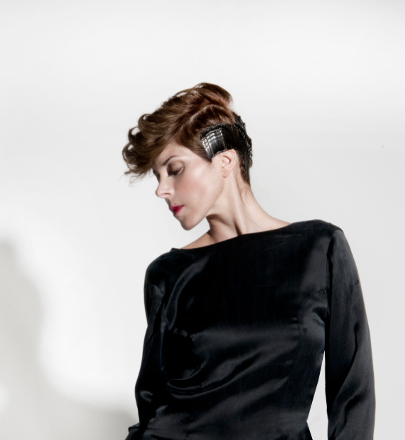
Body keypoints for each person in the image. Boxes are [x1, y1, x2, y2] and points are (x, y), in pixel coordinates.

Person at [120, 83, 375, 440]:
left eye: (174, 169)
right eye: (157, 176)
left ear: (225, 161)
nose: (161, 189)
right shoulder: (169, 274)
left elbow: (353, 391)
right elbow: (152, 400)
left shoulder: (318, 249)